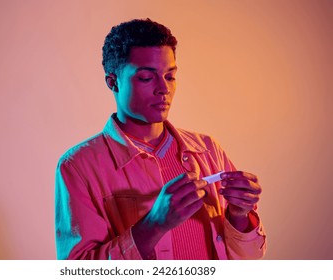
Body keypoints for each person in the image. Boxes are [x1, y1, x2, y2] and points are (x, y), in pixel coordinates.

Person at [55, 18, 267, 260]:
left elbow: (248, 258)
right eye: (147, 78)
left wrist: (240, 215)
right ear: (113, 82)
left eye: (170, 76)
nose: (163, 89)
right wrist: (154, 225)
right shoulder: (78, 167)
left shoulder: (208, 150)